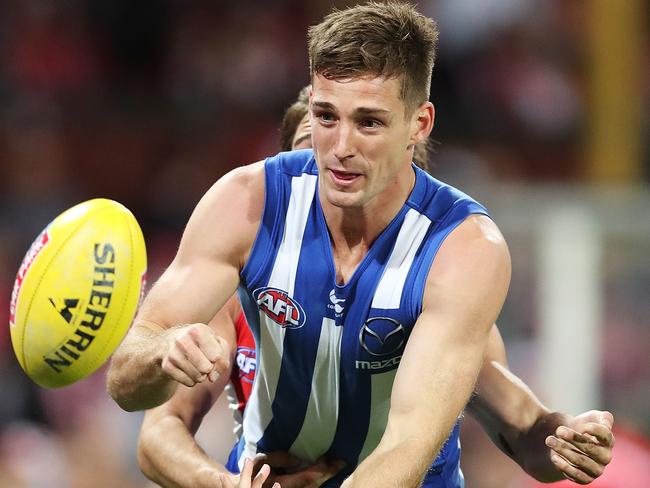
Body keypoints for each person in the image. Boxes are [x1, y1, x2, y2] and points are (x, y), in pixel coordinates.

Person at [107, 3, 610, 487]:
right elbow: (132, 390)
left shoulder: (460, 252)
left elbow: (412, 446)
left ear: (420, 124)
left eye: (368, 122)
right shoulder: (246, 207)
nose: (339, 148)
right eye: (325, 117)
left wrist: (560, 441)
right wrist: (162, 354)